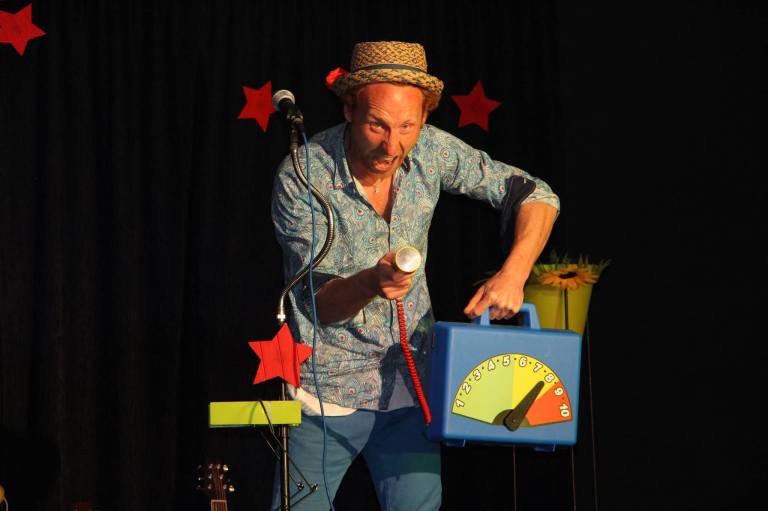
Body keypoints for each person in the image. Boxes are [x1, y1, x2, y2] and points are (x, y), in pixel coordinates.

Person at [270, 41, 559, 510]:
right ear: (349, 109)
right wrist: (371, 283)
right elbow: (318, 302)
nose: (392, 145)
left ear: (424, 118)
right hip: (327, 390)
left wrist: (514, 272)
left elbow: (535, 194)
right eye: (377, 125)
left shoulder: (432, 150)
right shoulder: (303, 175)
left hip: (411, 384)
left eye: (407, 126)